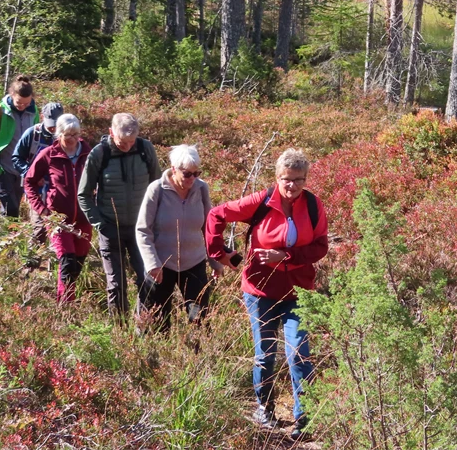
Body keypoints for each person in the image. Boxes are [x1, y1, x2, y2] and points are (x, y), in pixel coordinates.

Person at [206, 148, 329, 440]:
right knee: (265, 355)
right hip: (260, 292)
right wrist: (222, 254)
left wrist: (284, 257)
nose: (292, 186)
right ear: (277, 177)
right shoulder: (261, 201)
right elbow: (216, 215)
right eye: (287, 179)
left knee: (299, 353)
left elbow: (321, 246)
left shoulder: (312, 205)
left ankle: (303, 418)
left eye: (299, 180)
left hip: (299, 292)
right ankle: (265, 409)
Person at [78, 113, 162, 319]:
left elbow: (159, 187)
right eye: (122, 142)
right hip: (110, 228)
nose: (127, 146)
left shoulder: (145, 149)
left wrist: (155, 221)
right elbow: (84, 194)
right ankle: (119, 329)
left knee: (147, 278)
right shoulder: (99, 154)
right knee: (116, 284)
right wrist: (100, 224)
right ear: (110, 132)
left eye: (131, 142)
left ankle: (141, 325)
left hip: (141, 230)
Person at [136, 145, 224, 331]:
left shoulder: (201, 188)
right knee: (157, 323)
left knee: (199, 319)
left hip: (194, 263)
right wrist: (152, 263)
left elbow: (208, 228)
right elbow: (143, 230)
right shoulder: (156, 190)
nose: (192, 178)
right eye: (187, 174)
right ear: (174, 169)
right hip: (161, 265)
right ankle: (156, 356)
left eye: (196, 173)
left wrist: (215, 261)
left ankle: (198, 355)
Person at [24, 114, 93, 304]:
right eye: (68, 135)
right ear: (58, 134)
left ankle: (67, 298)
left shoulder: (89, 153)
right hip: (58, 219)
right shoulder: (49, 154)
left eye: (76, 134)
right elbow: (29, 181)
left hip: (84, 219)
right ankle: (64, 306)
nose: (73, 139)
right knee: (67, 263)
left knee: (77, 264)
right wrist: (42, 209)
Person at [0, 74, 38, 219]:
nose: (23, 106)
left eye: (26, 103)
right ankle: (9, 239)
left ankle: (7, 237)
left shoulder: (33, 112)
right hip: (3, 170)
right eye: (19, 103)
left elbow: (34, 139)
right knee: (11, 210)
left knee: (13, 209)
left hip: (22, 170)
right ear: (12, 95)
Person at [11, 102, 64, 249]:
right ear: (43, 117)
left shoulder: (65, 137)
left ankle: (56, 264)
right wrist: (31, 174)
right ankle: (31, 265)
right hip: (36, 190)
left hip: (58, 191)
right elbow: (16, 158)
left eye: (57, 124)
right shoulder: (32, 134)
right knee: (39, 227)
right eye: (51, 124)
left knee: (58, 227)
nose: (53, 128)